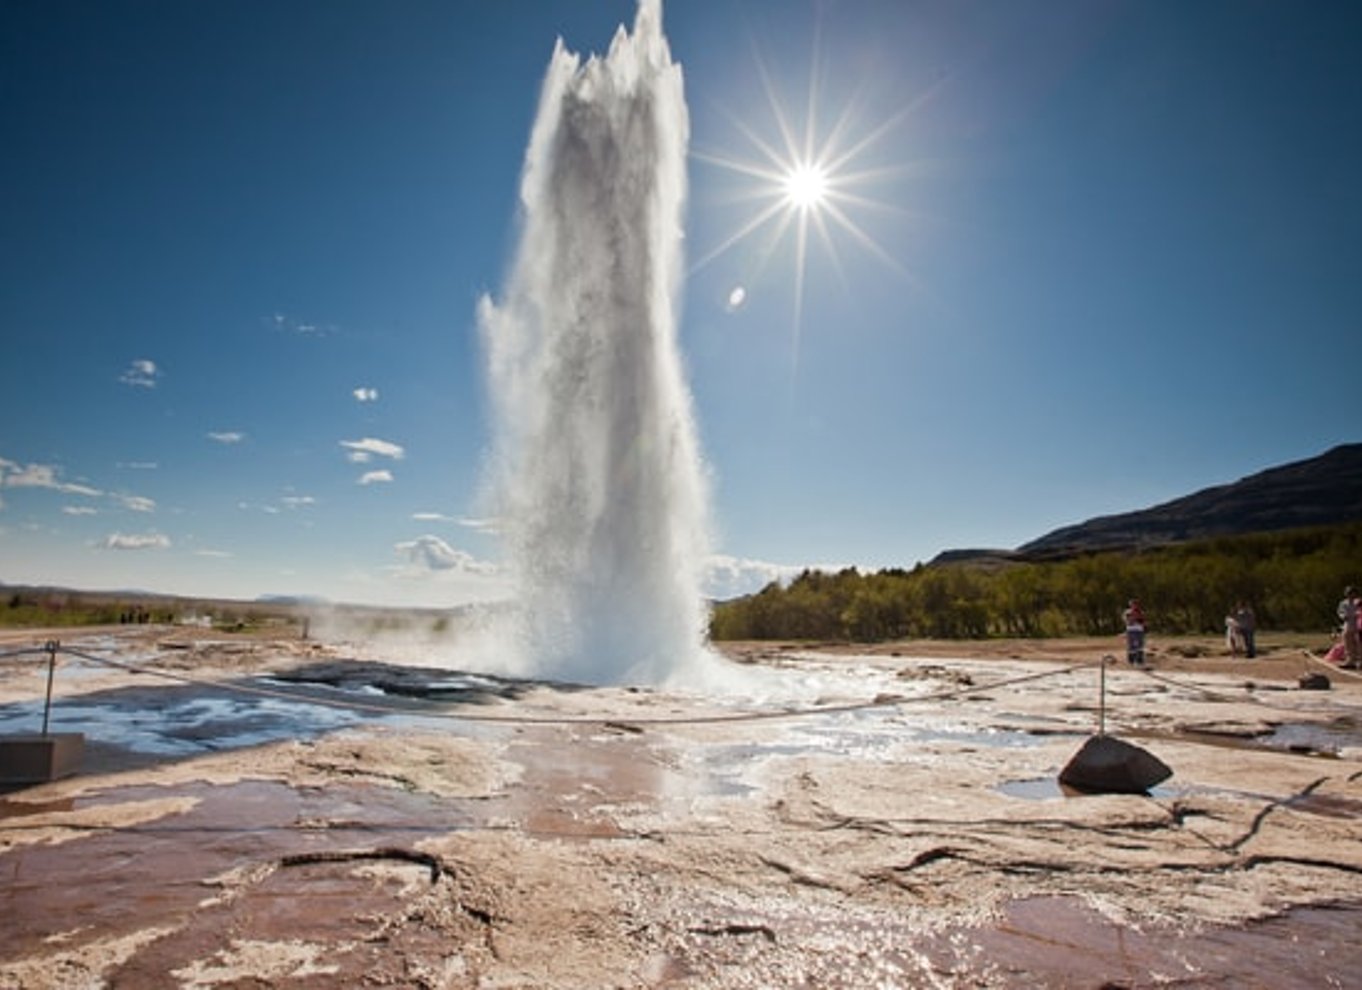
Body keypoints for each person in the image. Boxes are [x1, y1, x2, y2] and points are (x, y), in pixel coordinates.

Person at [1339, 586, 1361, 670]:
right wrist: (1343, 616)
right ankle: (1350, 661)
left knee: (1358, 644)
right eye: (1349, 593)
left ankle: (1360, 661)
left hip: (1358, 625)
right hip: (1348, 625)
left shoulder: (1358, 602)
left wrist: (1357, 614)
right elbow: (1340, 612)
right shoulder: (1343, 603)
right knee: (1348, 644)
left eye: (1352, 593)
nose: (1351, 595)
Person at [1123, 598, 1146, 666]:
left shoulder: (1141, 612)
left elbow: (1143, 621)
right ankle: (1131, 660)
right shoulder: (1128, 612)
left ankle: (1140, 659)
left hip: (1139, 630)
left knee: (1140, 644)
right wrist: (1132, 618)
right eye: (1132, 604)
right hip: (1131, 630)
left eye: (1135, 604)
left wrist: (1138, 618)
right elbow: (1128, 621)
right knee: (1131, 645)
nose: (1134, 606)